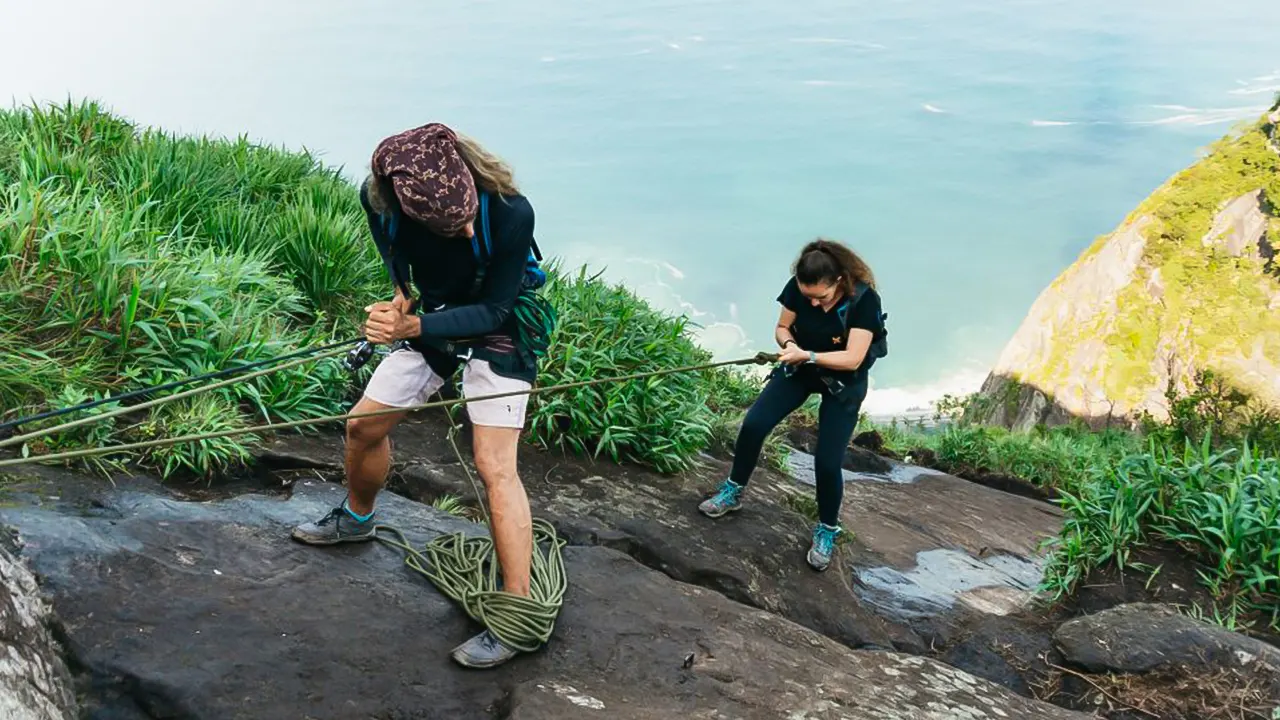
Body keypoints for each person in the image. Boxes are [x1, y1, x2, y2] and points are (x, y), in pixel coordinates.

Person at [290, 122, 542, 669]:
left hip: (504, 324)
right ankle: (358, 520)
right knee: (362, 426)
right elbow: (398, 267)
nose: (469, 225)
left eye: (469, 213)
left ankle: (518, 612)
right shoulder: (380, 201)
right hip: (432, 317)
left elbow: (497, 309)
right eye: (454, 226)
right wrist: (398, 305)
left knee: (493, 464)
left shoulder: (510, 210)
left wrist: (412, 327)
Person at [698, 239, 886, 572]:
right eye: (807, 295)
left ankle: (827, 529)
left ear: (839, 282)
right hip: (800, 368)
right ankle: (733, 491)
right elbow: (783, 327)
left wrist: (808, 354)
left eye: (820, 297)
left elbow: (853, 357)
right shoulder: (799, 288)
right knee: (755, 424)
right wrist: (789, 345)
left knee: (827, 461)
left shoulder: (863, 300)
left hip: (843, 381)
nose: (813, 301)